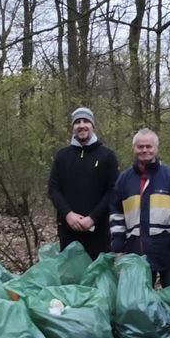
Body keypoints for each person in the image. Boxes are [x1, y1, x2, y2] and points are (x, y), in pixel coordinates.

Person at [109, 128, 170, 287]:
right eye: (140, 146)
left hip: (168, 251)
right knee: (140, 303)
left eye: (149, 146)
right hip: (136, 252)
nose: (144, 150)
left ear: (156, 148)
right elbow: (117, 216)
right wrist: (118, 247)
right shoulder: (124, 180)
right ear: (134, 149)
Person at [47, 106, 119, 260]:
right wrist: (68, 214)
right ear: (73, 127)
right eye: (77, 122)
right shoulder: (62, 156)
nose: (81, 125)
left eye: (86, 121)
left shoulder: (107, 156)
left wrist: (92, 218)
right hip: (68, 231)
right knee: (71, 279)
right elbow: (53, 189)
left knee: (98, 278)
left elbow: (113, 191)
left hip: (99, 231)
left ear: (93, 126)